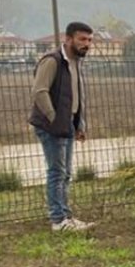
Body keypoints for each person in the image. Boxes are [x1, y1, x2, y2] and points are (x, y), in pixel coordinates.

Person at [28, 21, 95, 232]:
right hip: (51, 126)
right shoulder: (53, 60)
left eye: (89, 40)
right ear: (68, 39)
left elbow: (76, 96)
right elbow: (39, 91)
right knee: (57, 172)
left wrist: (79, 124)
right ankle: (58, 220)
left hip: (67, 125)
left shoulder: (75, 62)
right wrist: (54, 118)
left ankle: (66, 217)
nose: (87, 44)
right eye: (82, 39)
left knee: (65, 173)